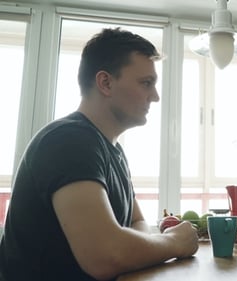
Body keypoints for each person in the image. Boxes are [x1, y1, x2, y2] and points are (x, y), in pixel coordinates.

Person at [0, 28, 199, 281]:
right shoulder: (69, 140)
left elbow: (136, 223)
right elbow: (105, 256)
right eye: (146, 83)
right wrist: (174, 242)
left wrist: (129, 241)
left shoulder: (112, 150)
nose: (156, 96)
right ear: (105, 82)